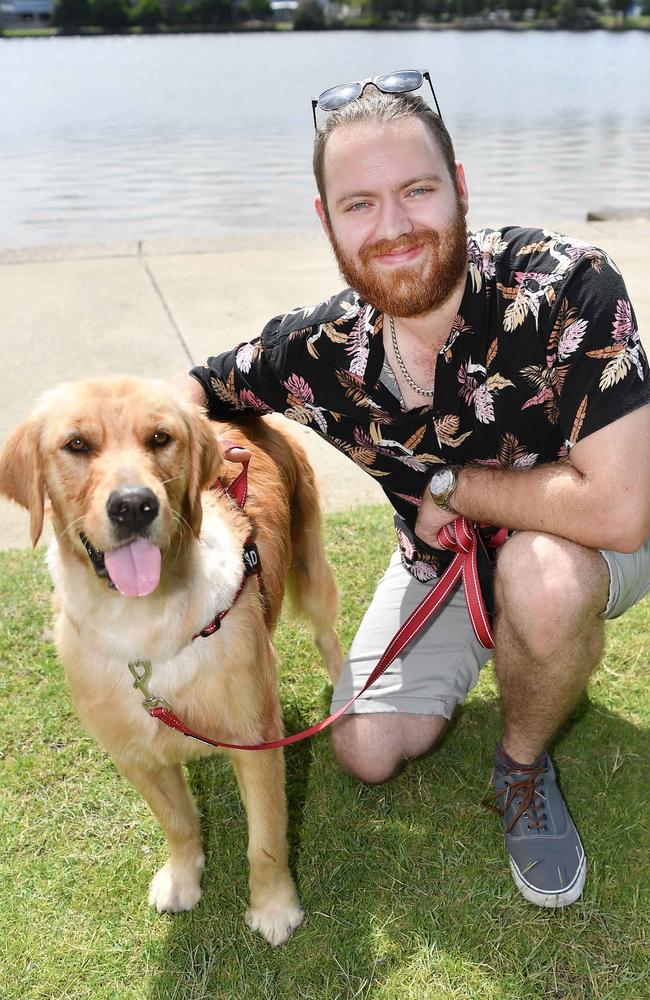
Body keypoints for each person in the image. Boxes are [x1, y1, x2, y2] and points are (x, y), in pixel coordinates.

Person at [184, 70, 650, 909]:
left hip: (589, 542)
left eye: (418, 190)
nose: (393, 226)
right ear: (327, 220)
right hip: (440, 566)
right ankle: (512, 644)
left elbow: (618, 510)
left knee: (542, 583)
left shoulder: (569, 286)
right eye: (359, 203)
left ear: (460, 188)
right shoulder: (315, 349)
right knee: (363, 749)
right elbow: (188, 395)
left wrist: (454, 485)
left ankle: (521, 762)